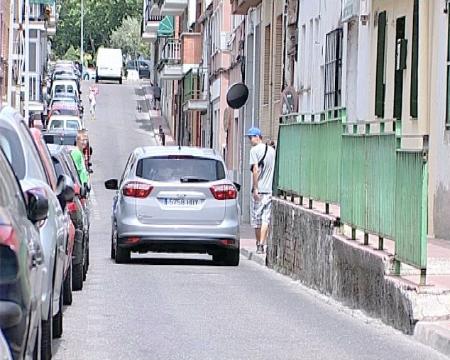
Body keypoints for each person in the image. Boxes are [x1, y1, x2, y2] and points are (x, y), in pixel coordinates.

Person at [247, 127, 276, 254]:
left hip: (260, 190)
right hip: (269, 190)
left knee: (257, 220)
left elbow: (255, 170)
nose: (249, 140)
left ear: (257, 137)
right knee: (266, 219)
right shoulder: (272, 151)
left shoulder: (254, 151)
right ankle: (262, 244)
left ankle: (258, 244)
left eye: (251, 137)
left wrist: (255, 188)